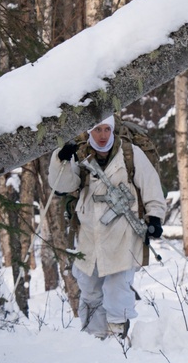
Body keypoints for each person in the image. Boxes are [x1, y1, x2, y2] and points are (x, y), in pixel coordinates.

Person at [48, 115, 166, 341]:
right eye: (97, 130)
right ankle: (94, 339)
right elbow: (64, 186)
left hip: (123, 233)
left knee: (117, 289)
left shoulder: (130, 154)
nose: (102, 135)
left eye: (106, 129)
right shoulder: (81, 155)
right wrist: (61, 160)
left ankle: (116, 339)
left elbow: (151, 186)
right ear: (89, 132)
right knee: (90, 290)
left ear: (112, 130)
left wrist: (155, 218)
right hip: (89, 234)